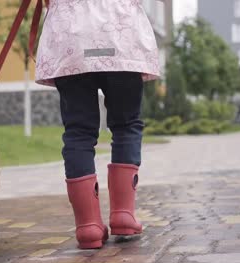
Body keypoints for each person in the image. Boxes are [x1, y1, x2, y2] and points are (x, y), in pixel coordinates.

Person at [35, 0, 160, 249]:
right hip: (120, 30)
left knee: (78, 132)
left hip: (70, 35)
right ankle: (124, 214)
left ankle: (88, 227)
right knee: (126, 125)